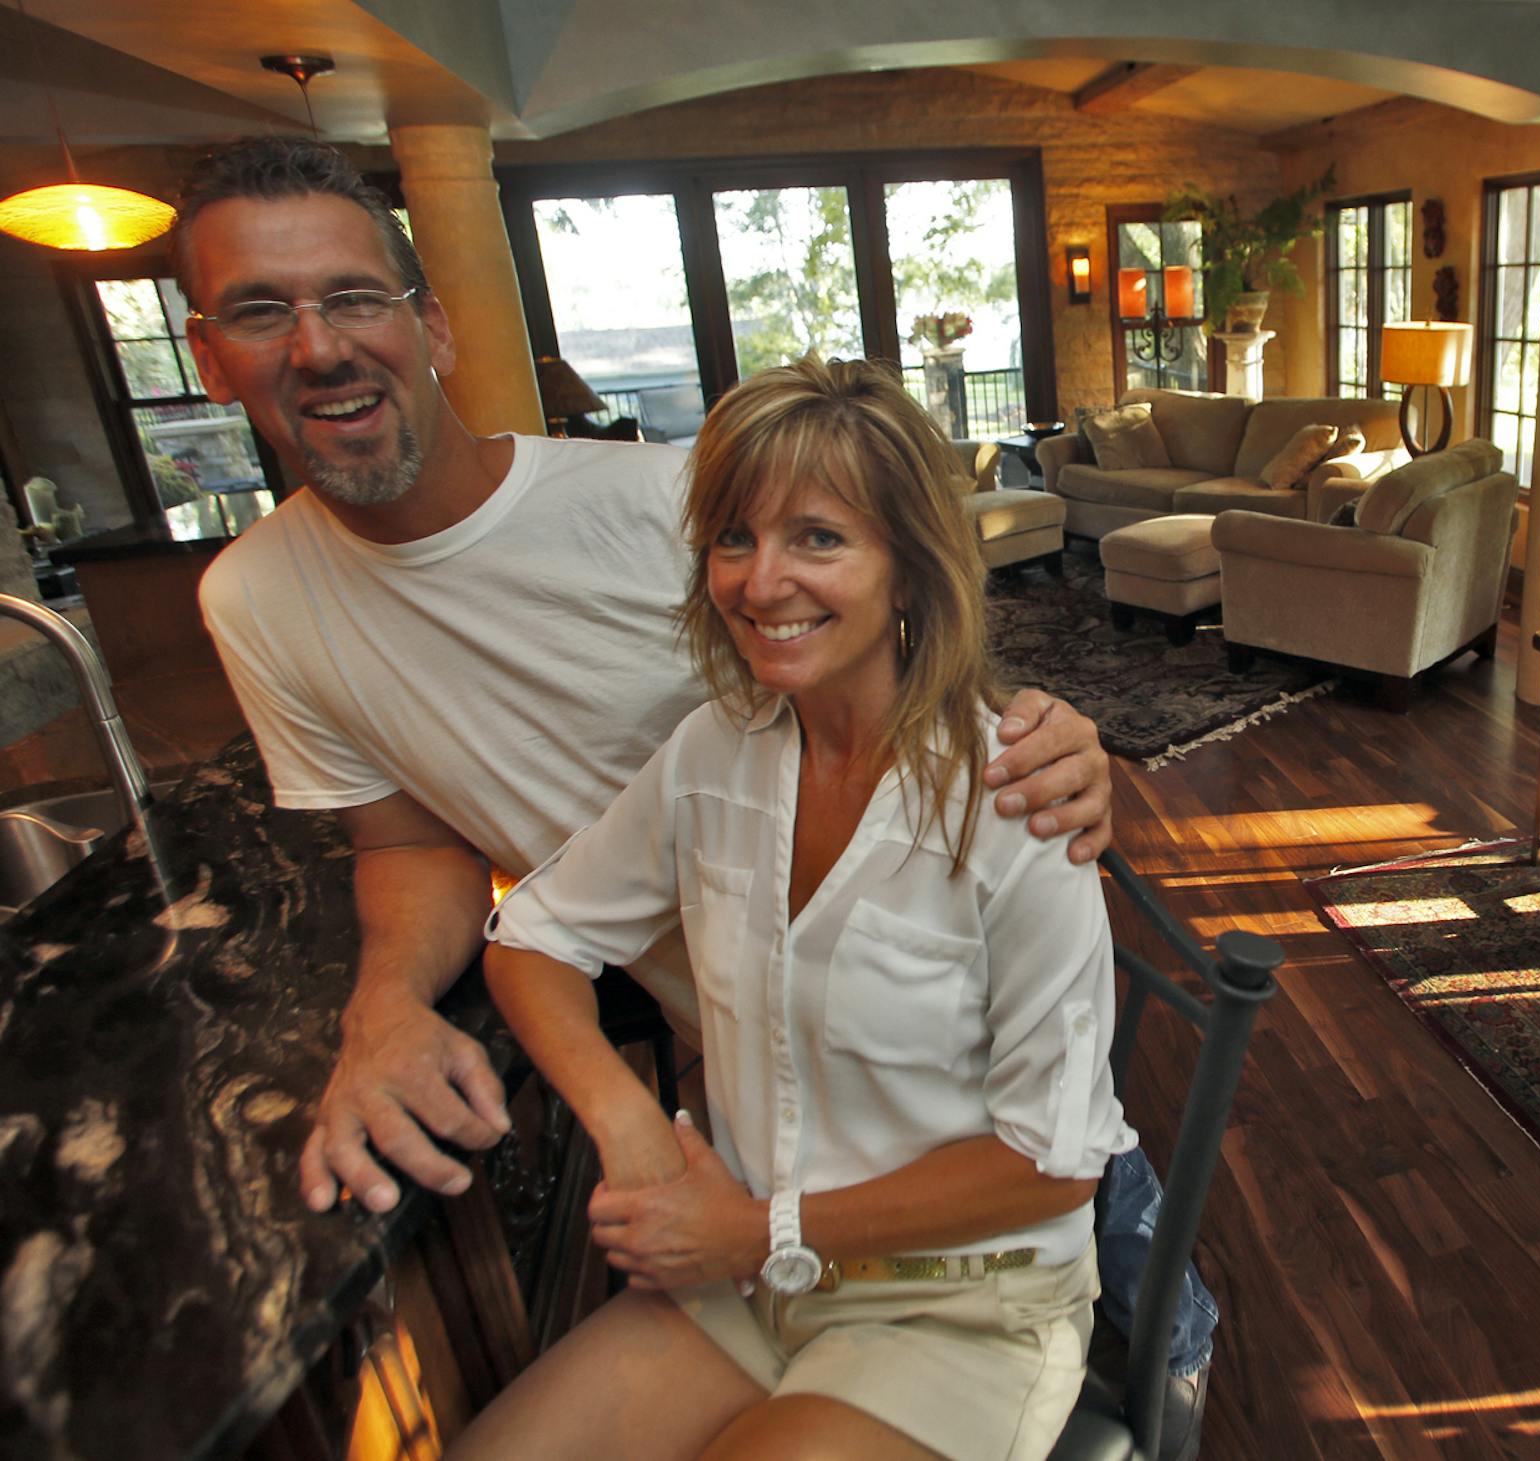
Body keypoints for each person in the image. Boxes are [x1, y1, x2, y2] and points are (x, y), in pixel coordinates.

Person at [177, 136, 1113, 1221]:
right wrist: (384, 1008)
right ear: (205, 359)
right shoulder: (253, 599)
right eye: (257, 312)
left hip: (930, 1034)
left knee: (1082, 1243)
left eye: (353, 298)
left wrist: (1055, 749)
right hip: (743, 1059)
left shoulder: (672, 505)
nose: (317, 346)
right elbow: (409, 837)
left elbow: (895, 666)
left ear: (430, 326)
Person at [460, 356, 1131, 1459]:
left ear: (911, 569)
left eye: (818, 538)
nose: (760, 581)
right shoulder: (712, 757)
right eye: (735, 537)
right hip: (751, 1277)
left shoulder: (1018, 801)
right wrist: (628, 1127)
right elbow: (533, 935)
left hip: (959, 1303)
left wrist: (758, 1224)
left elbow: (1053, 1160)